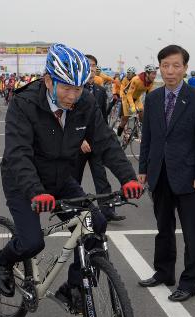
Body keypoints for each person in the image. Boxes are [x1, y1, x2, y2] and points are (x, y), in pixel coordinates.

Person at [0, 43, 143, 313]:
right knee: (31, 242)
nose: (73, 95)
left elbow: (106, 142)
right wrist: (35, 191)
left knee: (94, 223)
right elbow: (18, 154)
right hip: (23, 181)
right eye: (67, 87)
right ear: (49, 80)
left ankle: (74, 286)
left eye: (79, 87)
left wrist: (127, 178)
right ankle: (2, 262)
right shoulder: (24, 103)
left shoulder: (84, 101)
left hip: (61, 178)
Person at [138, 44, 195, 302]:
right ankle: (164, 272)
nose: (170, 71)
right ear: (159, 67)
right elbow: (147, 137)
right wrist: (143, 170)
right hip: (160, 174)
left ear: (185, 68)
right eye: (165, 65)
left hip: (190, 176)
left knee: (192, 233)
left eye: (176, 66)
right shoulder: (154, 97)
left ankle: (189, 282)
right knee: (163, 228)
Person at [72, 53, 126, 222]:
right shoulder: (72, 90)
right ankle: (73, 210)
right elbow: (68, 120)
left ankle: (108, 211)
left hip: (95, 142)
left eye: (94, 65)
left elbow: (101, 117)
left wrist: (103, 139)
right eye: (88, 65)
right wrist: (80, 140)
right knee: (74, 178)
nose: (92, 68)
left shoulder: (100, 91)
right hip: (77, 143)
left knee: (101, 177)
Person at [117, 64, 157, 136]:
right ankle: (118, 135)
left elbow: (149, 96)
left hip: (137, 99)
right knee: (125, 120)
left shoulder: (151, 82)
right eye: (153, 74)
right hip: (127, 98)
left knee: (142, 116)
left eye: (155, 74)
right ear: (147, 73)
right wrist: (132, 106)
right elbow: (129, 94)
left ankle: (138, 131)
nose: (154, 76)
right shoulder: (136, 79)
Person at [117, 66, 137, 136]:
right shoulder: (125, 79)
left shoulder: (136, 79)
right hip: (125, 99)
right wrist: (121, 96)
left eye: (130, 73)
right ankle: (118, 134)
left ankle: (136, 131)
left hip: (134, 99)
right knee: (124, 119)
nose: (128, 75)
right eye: (127, 73)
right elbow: (122, 89)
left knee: (137, 114)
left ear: (134, 74)